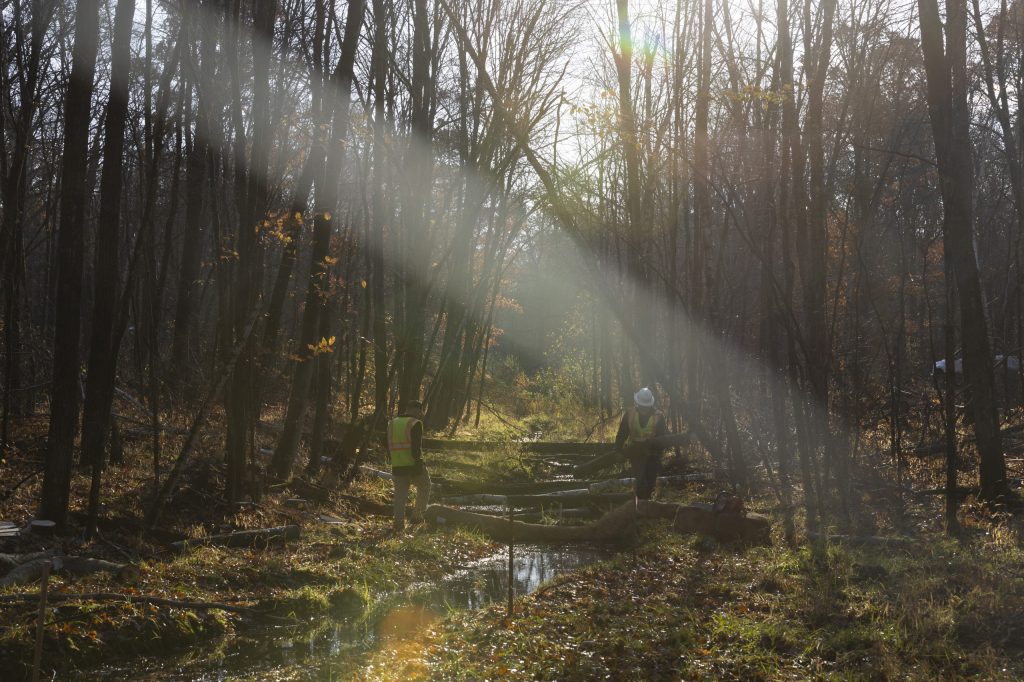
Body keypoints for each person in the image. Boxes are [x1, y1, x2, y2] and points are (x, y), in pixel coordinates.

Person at [614, 387, 668, 500]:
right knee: (641, 481)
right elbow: (622, 434)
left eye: (646, 406)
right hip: (636, 452)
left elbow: (662, 439)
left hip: (653, 454)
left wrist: (656, 451)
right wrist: (618, 450)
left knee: (650, 481)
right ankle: (640, 506)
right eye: (641, 406)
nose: (644, 408)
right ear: (637, 403)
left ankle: (645, 504)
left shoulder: (658, 417)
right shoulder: (630, 414)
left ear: (650, 405)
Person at [386, 399, 431, 532]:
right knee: (425, 486)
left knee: (400, 495)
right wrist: (419, 462)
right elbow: (416, 447)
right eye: (420, 411)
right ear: (416, 410)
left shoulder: (392, 423)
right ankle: (417, 517)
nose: (420, 414)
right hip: (412, 464)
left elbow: (387, 444)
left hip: (397, 465)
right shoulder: (415, 423)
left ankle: (398, 525)